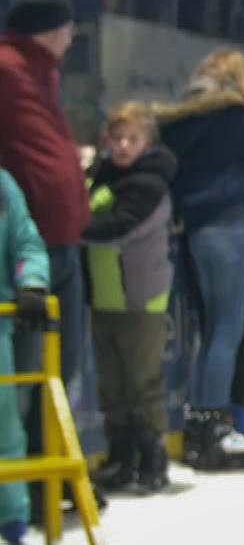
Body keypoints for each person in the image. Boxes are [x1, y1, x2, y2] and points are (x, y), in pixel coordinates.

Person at [155, 50, 244, 470]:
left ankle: (198, 425)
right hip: (228, 224)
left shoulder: (178, 123)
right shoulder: (233, 116)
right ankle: (214, 426)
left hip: (193, 228)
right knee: (227, 330)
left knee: (209, 332)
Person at [0, 0, 90, 451]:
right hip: (29, 239)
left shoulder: (41, 73)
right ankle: (22, 479)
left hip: (64, 234)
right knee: (27, 370)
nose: (72, 38)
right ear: (52, 30)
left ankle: (44, 475)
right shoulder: (8, 69)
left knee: (61, 364)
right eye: (68, 28)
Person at [82, 103, 177, 494]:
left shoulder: (149, 184)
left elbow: (118, 228)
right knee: (113, 386)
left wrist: (72, 224)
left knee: (141, 384)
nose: (122, 146)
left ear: (147, 142)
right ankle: (122, 457)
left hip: (140, 298)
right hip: (106, 297)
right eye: (116, 138)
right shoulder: (101, 176)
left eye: (132, 139)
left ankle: (153, 457)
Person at [0, 169, 51, 545]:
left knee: (5, 422)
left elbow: (26, 242)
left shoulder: (2, 186)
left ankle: (11, 514)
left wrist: (31, 282)